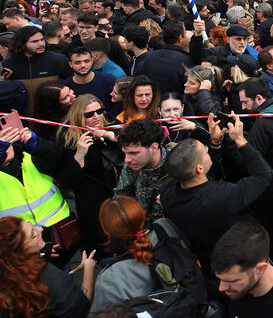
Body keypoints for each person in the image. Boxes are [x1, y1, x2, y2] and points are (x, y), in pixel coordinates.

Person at [160, 114, 273, 272]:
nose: (207, 149)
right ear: (199, 168)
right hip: (241, 259)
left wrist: (215, 144)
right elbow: (263, 176)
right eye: (204, 151)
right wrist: (240, 140)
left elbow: (199, 175)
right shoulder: (223, 197)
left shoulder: (168, 191)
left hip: (207, 260)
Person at [57, 95, 122, 248]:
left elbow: (133, 149)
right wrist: (79, 155)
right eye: (89, 114)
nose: (97, 117)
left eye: (100, 111)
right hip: (91, 200)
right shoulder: (68, 139)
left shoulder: (112, 124)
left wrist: (113, 137)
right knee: (98, 240)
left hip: (117, 191)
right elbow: (66, 181)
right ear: (78, 116)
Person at [0, 216, 94, 318]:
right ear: (21, 251)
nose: (40, 230)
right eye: (33, 234)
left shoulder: (6, 272)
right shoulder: (54, 279)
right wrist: (88, 267)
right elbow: (81, 307)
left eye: (32, 225)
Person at [3, 25, 71, 115]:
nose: (41, 44)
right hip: (22, 120)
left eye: (42, 40)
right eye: (35, 41)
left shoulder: (58, 60)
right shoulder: (8, 65)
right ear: (22, 44)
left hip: (54, 118)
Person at [113, 118, 167, 225]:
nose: (126, 160)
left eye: (134, 153)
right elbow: (121, 194)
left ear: (154, 147)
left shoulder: (177, 165)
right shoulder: (132, 164)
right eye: (125, 153)